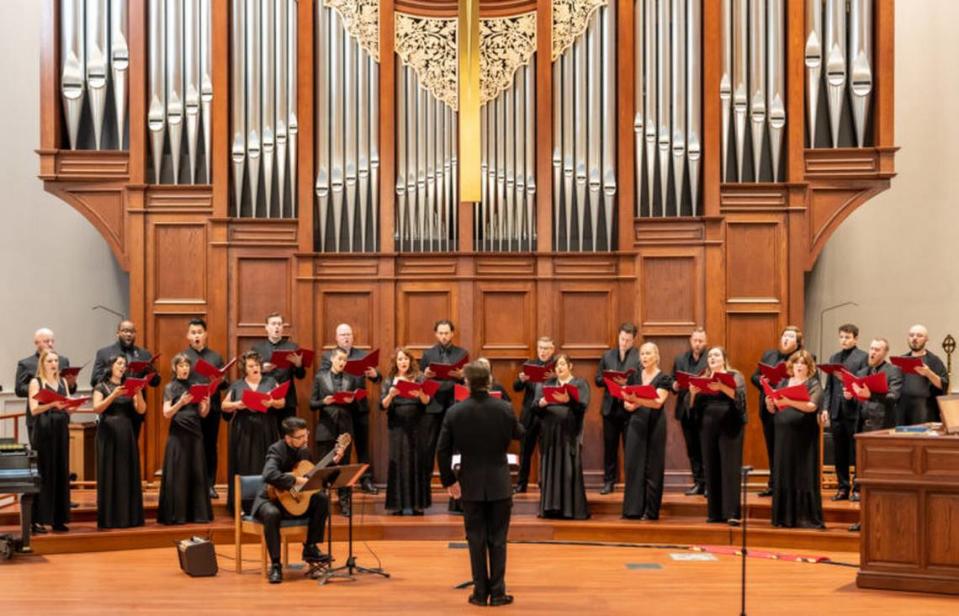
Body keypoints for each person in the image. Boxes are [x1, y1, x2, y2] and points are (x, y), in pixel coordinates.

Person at [437, 361, 524, 607]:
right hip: (499, 482)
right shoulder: (504, 408)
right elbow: (520, 434)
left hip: (470, 484)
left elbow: (442, 451)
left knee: (475, 539)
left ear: (466, 383)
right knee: (498, 539)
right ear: (489, 382)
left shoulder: (455, 412)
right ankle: (498, 593)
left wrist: (449, 481)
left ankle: (479, 593)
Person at [253, 417, 339, 584]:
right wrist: (295, 480)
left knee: (321, 499)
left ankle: (310, 547)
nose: (305, 439)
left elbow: (312, 475)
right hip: (270, 499)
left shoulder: (304, 451)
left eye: (306, 434)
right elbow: (268, 474)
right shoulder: (276, 450)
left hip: (295, 499)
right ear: (288, 438)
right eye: (300, 437)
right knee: (272, 514)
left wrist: (333, 461)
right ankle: (276, 565)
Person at [847, 338, 903, 530]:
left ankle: (879, 521)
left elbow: (893, 397)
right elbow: (859, 401)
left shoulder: (893, 371)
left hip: (881, 429)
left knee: (878, 477)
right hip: (862, 428)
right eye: (871, 348)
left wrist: (871, 394)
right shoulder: (862, 372)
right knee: (863, 477)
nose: (872, 352)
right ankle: (864, 519)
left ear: (885, 352)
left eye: (877, 350)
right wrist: (851, 396)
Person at [319, 323, 381, 494]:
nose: (346, 337)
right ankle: (331, 482)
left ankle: (366, 480)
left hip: (358, 407)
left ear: (352, 337)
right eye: (343, 335)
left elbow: (377, 377)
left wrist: (375, 375)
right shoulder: (328, 357)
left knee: (362, 445)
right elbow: (324, 378)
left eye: (349, 334)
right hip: (338, 409)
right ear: (336, 338)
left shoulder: (362, 355)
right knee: (337, 448)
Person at [221, 351, 284, 513]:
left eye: (257, 365)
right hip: (244, 429)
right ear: (245, 369)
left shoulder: (270, 381)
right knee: (243, 464)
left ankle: (267, 502)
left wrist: (271, 402)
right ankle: (242, 505)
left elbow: (282, 402)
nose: (255, 368)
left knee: (266, 463)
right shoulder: (237, 384)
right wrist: (237, 404)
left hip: (265, 427)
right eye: (251, 365)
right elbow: (224, 405)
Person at [768, 350, 825, 529]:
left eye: (803, 363)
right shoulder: (783, 382)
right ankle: (784, 517)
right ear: (791, 365)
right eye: (797, 363)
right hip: (783, 435)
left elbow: (811, 406)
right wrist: (771, 403)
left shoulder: (814, 384)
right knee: (784, 471)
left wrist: (788, 401)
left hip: (804, 437)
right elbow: (773, 409)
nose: (799, 366)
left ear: (809, 368)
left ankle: (804, 517)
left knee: (802, 472)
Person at [690, 347, 746, 524]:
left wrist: (721, 386)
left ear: (724, 358)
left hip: (730, 423)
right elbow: (693, 408)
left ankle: (732, 513)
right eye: (710, 356)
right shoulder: (703, 377)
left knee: (729, 468)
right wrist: (692, 394)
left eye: (716, 355)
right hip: (707, 425)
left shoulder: (734, 375)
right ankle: (714, 513)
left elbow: (740, 397)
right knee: (711, 466)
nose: (712, 358)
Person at [91, 355, 147, 529]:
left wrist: (138, 392)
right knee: (110, 473)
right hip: (107, 432)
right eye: (119, 363)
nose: (123, 367)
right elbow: (97, 408)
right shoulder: (102, 386)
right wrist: (113, 395)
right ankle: (109, 518)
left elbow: (141, 410)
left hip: (126, 431)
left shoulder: (129, 386)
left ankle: (129, 517)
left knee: (126, 472)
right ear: (111, 365)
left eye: (124, 364)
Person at [157, 354, 213, 525]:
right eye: (181, 365)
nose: (184, 368)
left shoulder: (195, 386)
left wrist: (207, 403)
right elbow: (167, 413)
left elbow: (203, 414)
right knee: (178, 473)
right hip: (178, 434)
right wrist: (180, 402)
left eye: (187, 365)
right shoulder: (170, 387)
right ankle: (177, 515)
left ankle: (197, 514)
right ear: (175, 368)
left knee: (196, 472)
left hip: (195, 433)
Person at [309, 347, 364, 517]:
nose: (342, 362)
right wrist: (324, 402)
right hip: (326, 428)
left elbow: (358, 407)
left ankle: (344, 502)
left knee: (343, 468)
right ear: (332, 359)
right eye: (340, 359)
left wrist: (351, 401)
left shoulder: (351, 379)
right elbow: (312, 404)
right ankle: (322, 504)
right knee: (324, 467)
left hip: (345, 430)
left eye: (345, 360)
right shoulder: (320, 377)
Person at [534, 354, 590, 520]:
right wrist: (541, 403)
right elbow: (534, 408)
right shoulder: (547, 384)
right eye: (557, 365)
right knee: (550, 469)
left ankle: (570, 510)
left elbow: (583, 406)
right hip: (550, 434)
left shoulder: (579, 383)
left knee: (568, 471)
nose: (559, 368)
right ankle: (550, 509)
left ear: (570, 366)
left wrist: (569, 400)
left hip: (569, 433)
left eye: (563, 364)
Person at [621, 343, 673, 520]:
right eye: (642, 353)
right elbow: (626, 401)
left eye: (648, 353)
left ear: (656, 355)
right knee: (633, 464)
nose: (644, 357)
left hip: (655, 423)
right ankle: (633, 509)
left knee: (653, 467)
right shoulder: (634, 375)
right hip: (636, 422)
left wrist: (636, 400)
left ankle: (650, 511)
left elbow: (658, 402)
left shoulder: (664, 378)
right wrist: (629, 403)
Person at [182, 318, 231, 499]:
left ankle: (210, 485)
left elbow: (225, 383)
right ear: (188, 336)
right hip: (190, 409)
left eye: (199, 332)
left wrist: (220, 380)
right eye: (193, 333)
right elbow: (178, 382)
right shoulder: (183, 357)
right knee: (191, 447)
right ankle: (192, 486)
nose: (196, 336)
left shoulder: (215, 357)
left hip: (213, 408)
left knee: (210, 446)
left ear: (205, 334)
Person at [750, 325, 802, 497]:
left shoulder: (801, 358)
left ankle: (787, 485)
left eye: (790, 336)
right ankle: (773, 484)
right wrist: (762, 380)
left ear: (798, 342)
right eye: (784, 336)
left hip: (789, 410)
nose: (786, 339)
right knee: (772, 447)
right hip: (768, 408)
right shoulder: (769, 355)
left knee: (787, 448)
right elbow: (754, 377)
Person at [380, 347, 433, 515]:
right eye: (400, 359)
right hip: (397, 426)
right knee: (398, 461)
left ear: (411, 361)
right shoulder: (389, 380)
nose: (403, 362)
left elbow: (427, 401)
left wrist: (420, 394)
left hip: (417, 425)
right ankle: (398, 505)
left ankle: (418, 505)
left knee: (417, 460)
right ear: (396, 363)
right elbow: (382, 405)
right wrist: (391, 395)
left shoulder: (420, 378)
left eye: (405, 359)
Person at [27, 349, 74, 533]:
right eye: (50, 361)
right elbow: (34, 410)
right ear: (43, 363)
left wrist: (73, 405)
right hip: (44, 430)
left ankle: (58, 518)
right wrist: (52, 404)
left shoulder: (62, 381)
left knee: (61, 471)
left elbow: (68, 407)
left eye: (56, 360)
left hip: (61, 429)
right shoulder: (36, 382)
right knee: (44, 473)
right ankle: (38, 520)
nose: (54, 364)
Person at [91, 320, 161, 439]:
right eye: (125, 331)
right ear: (118, 333)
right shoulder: (104, 353)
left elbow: (156, 382)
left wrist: (151, 372)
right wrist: (113, 377)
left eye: (132, 332)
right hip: (112, 408)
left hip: (134, 408)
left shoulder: (144, 354)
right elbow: (94, 380)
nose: (128, 334)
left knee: (131, 448)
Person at [822, 324, 868, 501]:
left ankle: (857, 487)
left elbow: (862, 384)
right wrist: (825, 408)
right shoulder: (834, 357)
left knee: (855, 452)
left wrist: (853, 394)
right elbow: (829, 387)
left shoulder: (863, 357)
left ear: (856, 338)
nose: (844, 340)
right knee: (839, 452)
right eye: (841, 337)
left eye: (847, 337)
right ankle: (842, 487)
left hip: (854, 411)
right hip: (836, 412)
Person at [595, 323, 641, 495]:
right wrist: (610, 380)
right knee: (610, 447)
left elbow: (641, 381)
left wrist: (626, 382)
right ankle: (609, 481)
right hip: (610, 408)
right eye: (622, 339)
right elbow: (597, 379)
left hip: (629, 408)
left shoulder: (638, 356)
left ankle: (632, 483)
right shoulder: (608, 355)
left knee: (631, 447)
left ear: (633, 340)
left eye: (628, 340)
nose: (624, 343)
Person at [420, 319, 470, 470]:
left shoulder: (462, 353)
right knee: (430, 444)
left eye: (446, 333)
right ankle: (425, 481)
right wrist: (426, 375)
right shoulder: (428, 354)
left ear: (452, 334)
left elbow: (468, 380)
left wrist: (462, 375)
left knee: (455, 443)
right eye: (441, 333)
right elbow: (421, 378)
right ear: (436, 334)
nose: (443, 336)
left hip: (455, 402)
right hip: (433, 402)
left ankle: (455, 480)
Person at [15, 328, 76, 449]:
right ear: (37, 342)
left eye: (52, 341)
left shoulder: (63, 361)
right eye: (47, 341)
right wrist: (39, 389)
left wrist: (72, 384)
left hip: (60, 417)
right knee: (41, 456)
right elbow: (19, 389)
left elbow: (69, 391)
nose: (51, 344)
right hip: (38, 418)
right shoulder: (26, 363)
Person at [511, 337, 556, 494]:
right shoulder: (529, 365)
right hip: (530, 414)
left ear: (553, 350)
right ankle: (521, 484)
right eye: (541, 348)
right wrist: (521, 379)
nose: (543, 351)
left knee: (546, 451)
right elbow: (516, 388)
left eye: (546, 348)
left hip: (548, 414)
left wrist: (555, 377)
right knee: (525, 451)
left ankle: (545, 484)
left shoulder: (557, 367)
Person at [251, 312, 307, 433]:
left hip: (287, 399)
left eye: (279, 324)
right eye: (273, 324)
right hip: (265, 397)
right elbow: (249, 373)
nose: (277, 327)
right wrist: (261, 369)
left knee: (288, 436)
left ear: (282, 328)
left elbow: (301, 376)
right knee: (265, 435)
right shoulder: (257, 349)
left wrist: (298, 365)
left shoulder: (292, 347)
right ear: (266, 327)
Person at [672, 327, 709, 495]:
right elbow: (674, 380)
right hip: (685, 410)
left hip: (704, 410)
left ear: (705, 342)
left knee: (706, 448)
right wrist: (674, 385)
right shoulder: (680, 359)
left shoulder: (710, 358)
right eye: (695, 341)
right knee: (692, 449)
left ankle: (709, 484)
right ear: (690, 341)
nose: (697, 344)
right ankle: (698, 483)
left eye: (701, 341)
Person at [896, 324, 949, 426]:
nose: (914, 338)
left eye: (919, 335)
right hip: (903, 412)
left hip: (926, 411)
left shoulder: (934, 360)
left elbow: (944, 384)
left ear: (926, 339)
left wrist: (929, 373)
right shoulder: (901, 359)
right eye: (911, 335)